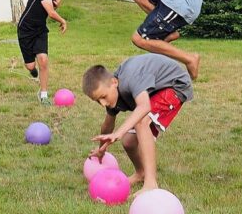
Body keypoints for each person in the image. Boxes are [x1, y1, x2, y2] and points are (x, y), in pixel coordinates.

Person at [83, 54, 194, 193]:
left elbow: (144, 107)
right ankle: (141, 173)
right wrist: (101, 150)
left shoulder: (131, 79)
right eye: (97, 100)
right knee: (128, 142)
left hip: (175, 85)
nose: (103, 103)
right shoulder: (112, 95)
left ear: (114, 82)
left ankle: (151, 183)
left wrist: (119, 132)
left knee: (141, 121)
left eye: (103, 97)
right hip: (156, 91)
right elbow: (107, 125)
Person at [17, 0, 66, 104]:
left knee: (43, 60)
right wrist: (63, 21)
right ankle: (32, 70)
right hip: (25, 30)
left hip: (40, 30)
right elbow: (51, 13)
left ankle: (43, 95)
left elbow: (48, 10)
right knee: (31, 66)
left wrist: (57, 5)